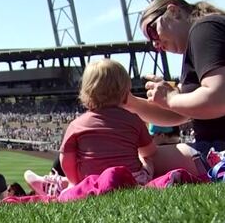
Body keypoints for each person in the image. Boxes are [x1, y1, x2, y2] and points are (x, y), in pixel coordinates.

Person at [128, 0, 225, 174]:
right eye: (150, 40)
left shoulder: (204, 30)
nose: (155, 43)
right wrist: (128, 102)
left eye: (153, 30)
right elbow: (179, 114)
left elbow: (222, 100)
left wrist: (171, 98)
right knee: (139, 157)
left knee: (135, 160)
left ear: (174, 12)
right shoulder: (203, 35)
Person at [39, 59, 156, 191]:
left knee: (74, 178)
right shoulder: (134, 120)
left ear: (86, 93)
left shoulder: (77, 125)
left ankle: (63, 185)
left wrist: (74, 181)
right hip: (132, 181)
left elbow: (65, 159)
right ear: (125, 93)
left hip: (91, 182)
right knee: (148, 161)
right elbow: (150, 151)